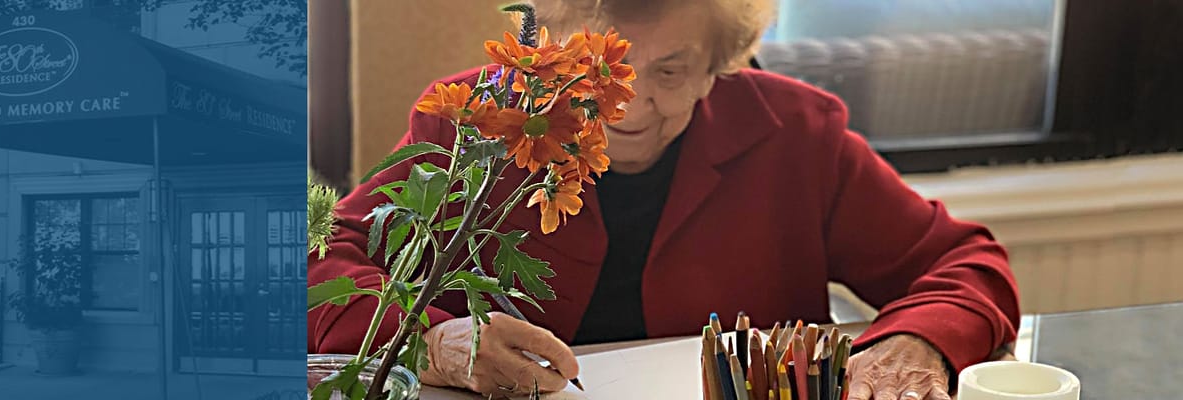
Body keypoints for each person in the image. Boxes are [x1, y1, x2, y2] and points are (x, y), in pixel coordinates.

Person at [308, 0, 1020, 399]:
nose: (625, 108)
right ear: (546, 53)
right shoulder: (472, 121)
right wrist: (435, 340)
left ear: (721, 68)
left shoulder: (797, 133)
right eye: (595, 71)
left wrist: (914, 342)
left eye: (670, 70)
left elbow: (962, 263)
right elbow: (312, 266)